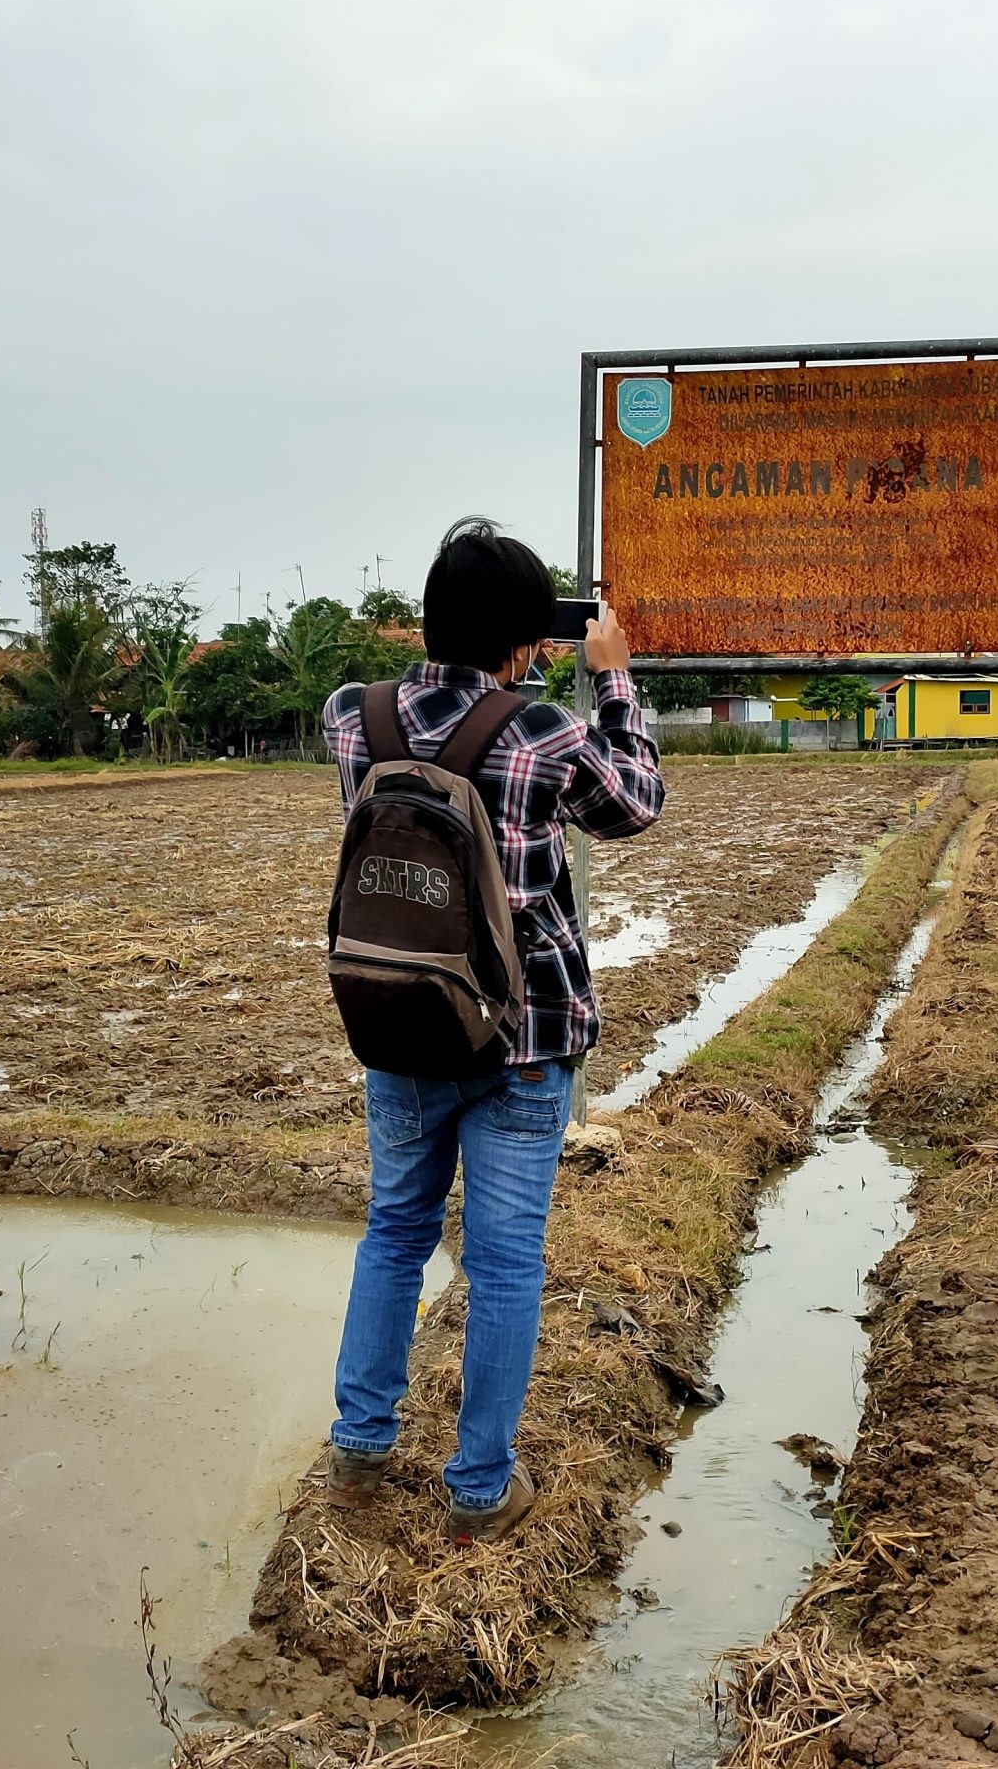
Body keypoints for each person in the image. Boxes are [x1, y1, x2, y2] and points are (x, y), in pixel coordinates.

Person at [319, 517, 664, 1542]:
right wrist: (612, 681)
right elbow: (634, 804)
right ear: (525, 639)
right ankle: (479, 1491)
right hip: (525, 1034)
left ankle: (361, 1447)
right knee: (504, 1262)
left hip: (401, 1015)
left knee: (393, 1232)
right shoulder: (541, 729)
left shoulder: (352, 716)